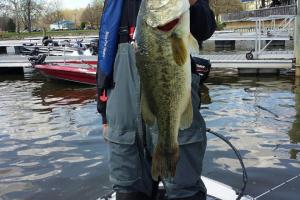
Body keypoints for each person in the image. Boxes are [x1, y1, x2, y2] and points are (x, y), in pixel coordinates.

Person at [96, 0, 216, 199]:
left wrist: (193, 4)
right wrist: (103, 111)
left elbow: (205, 28)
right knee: (128, 190)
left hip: (174, 95)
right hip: (122, 108)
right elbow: (104, 54)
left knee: (184, 190)